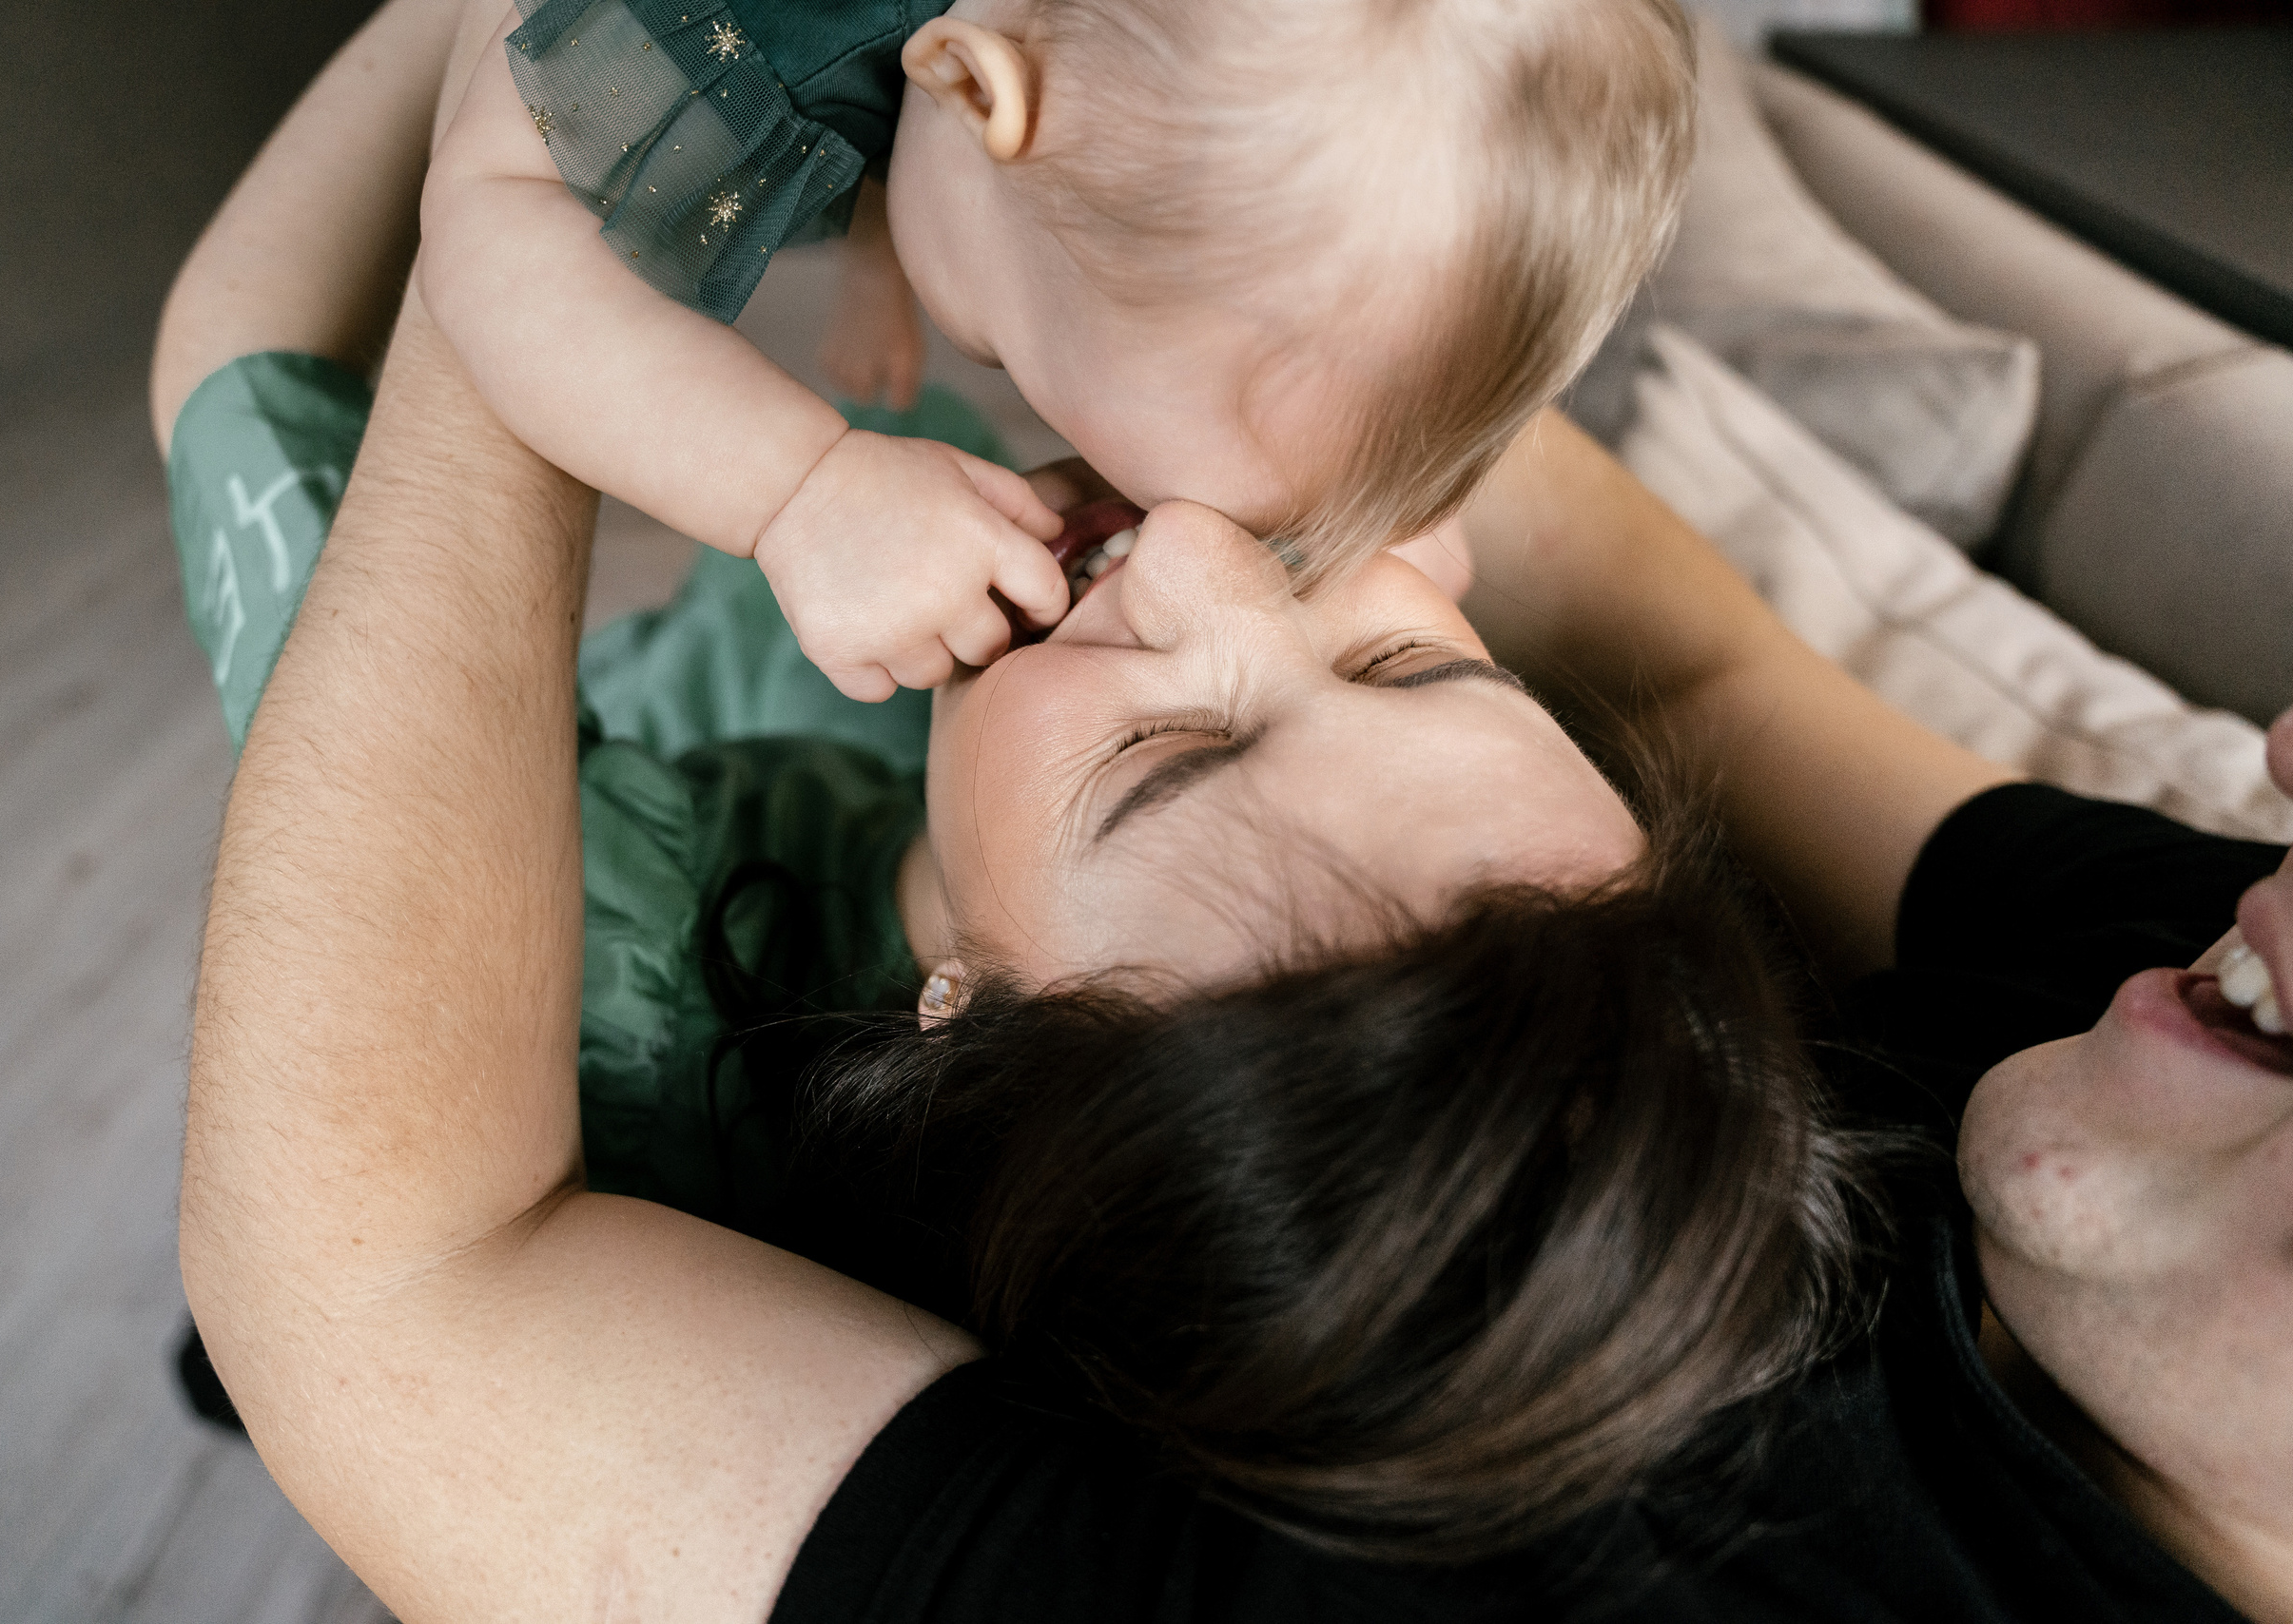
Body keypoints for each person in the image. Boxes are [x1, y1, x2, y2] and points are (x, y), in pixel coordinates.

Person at [152, 0, 1850, 1505]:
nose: (1217, 562)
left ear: (966, 1015)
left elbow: (236, 368)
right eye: (1402, 661)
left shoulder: (605, 973)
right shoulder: (1094, 767)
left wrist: (476, 42)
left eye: (1169, 754)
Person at [415, 0, 1698, 700]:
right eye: (1034, 363)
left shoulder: (1055, 63)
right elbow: (487, 210)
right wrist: (795, 489)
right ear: (974, 91)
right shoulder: (713, 31)